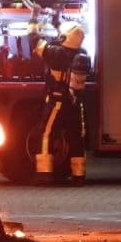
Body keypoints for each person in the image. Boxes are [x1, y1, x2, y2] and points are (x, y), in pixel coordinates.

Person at [30, 19, 92, 184]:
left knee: (46, 134)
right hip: (75, 103)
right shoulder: (83, 54)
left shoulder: (55, 53)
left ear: (65, 37)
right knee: (76, 138)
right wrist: (56, 18)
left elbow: (34, 41)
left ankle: (44, 174)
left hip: (56, 103)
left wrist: (34, 18)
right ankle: (79, 176)